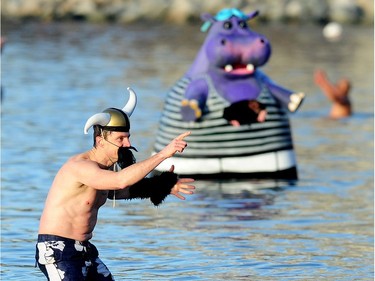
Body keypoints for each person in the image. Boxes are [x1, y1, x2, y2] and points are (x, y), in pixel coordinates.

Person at [35, 88, 195, 280]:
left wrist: (161, 186)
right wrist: (163, 154)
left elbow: (119, 192)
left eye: (128, 137)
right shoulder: (81, 167)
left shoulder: (105, 170)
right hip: (58, 250)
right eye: (120, 139)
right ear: (100, 141)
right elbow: (120, 182)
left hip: (84, 250)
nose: (127, 144)